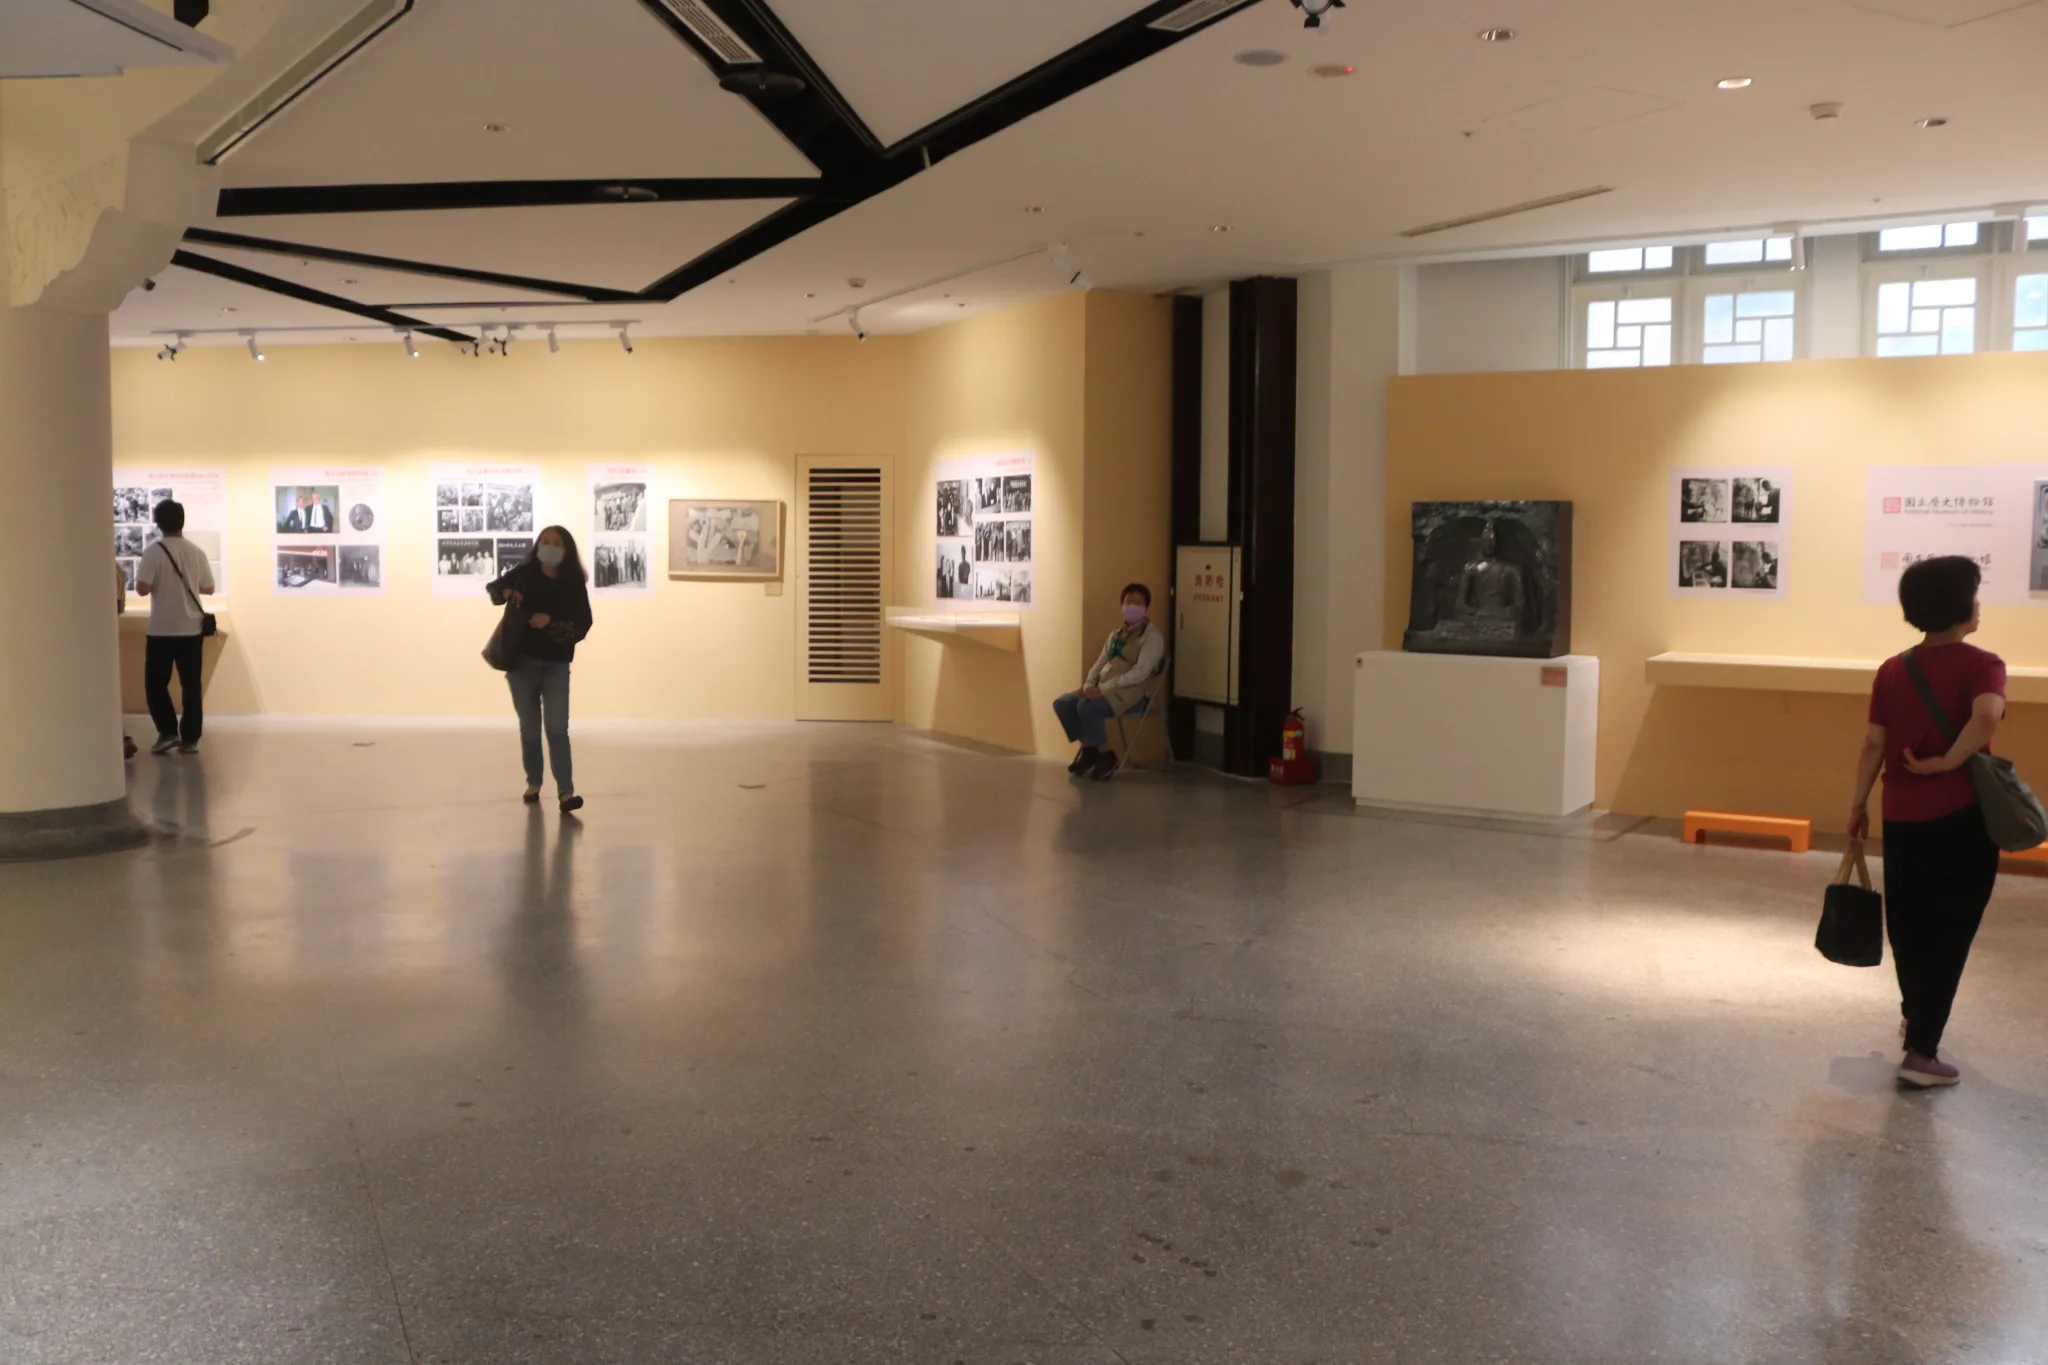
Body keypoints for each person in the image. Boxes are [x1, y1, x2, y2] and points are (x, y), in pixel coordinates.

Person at [1847, 555, 2004, 1089]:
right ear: (1961, 605)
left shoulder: (1894, 669)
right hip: (1961, 819)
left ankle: (1916, 1017)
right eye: (1975, 594)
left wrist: (1857, 802)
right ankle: (1922, 1053)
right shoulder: (1983, 664)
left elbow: (1873, 744)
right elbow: (1987, 715)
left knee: (1909, 926)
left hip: (1901, 815)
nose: (1979, 604)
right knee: (1950, 931)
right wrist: (1948, 761)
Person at [487, 526, 593, 813]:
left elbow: (583, 625)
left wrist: (551, 623)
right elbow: (494, 589)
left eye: (556, 543)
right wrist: (506, 591)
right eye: (545, 541)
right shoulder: (524, 574)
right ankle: (534, 783)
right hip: (521, 663)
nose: (549, 547)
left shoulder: (573, 584)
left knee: (557, 728)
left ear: (566, 550)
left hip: (556, 665)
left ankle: (566, 792)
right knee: (530, 728)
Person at [1054, 583, 1166, 780]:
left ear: (1146, 607)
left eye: (1138, 604)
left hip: (1129, 693)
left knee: (1086, 707)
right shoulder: (1116, 635)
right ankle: (1092, 751)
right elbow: (1100, 663)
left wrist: (1104, 688)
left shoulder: (1152, 638)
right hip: (1102, 688)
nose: (1132, 608)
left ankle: (1104, 755)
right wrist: (1089, 684)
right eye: (1128, 603)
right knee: (1063, 703)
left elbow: (1140, 673)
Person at [134, 499, 214, 755]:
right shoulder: (196, 552)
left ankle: (168, 732)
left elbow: (142, 589)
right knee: (191, 686)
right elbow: (208, 588)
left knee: (156, 684)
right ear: (182, 521)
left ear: (158, 523)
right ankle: (190, 739)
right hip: (191, 629)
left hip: (161, 630)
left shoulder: (153, 552)